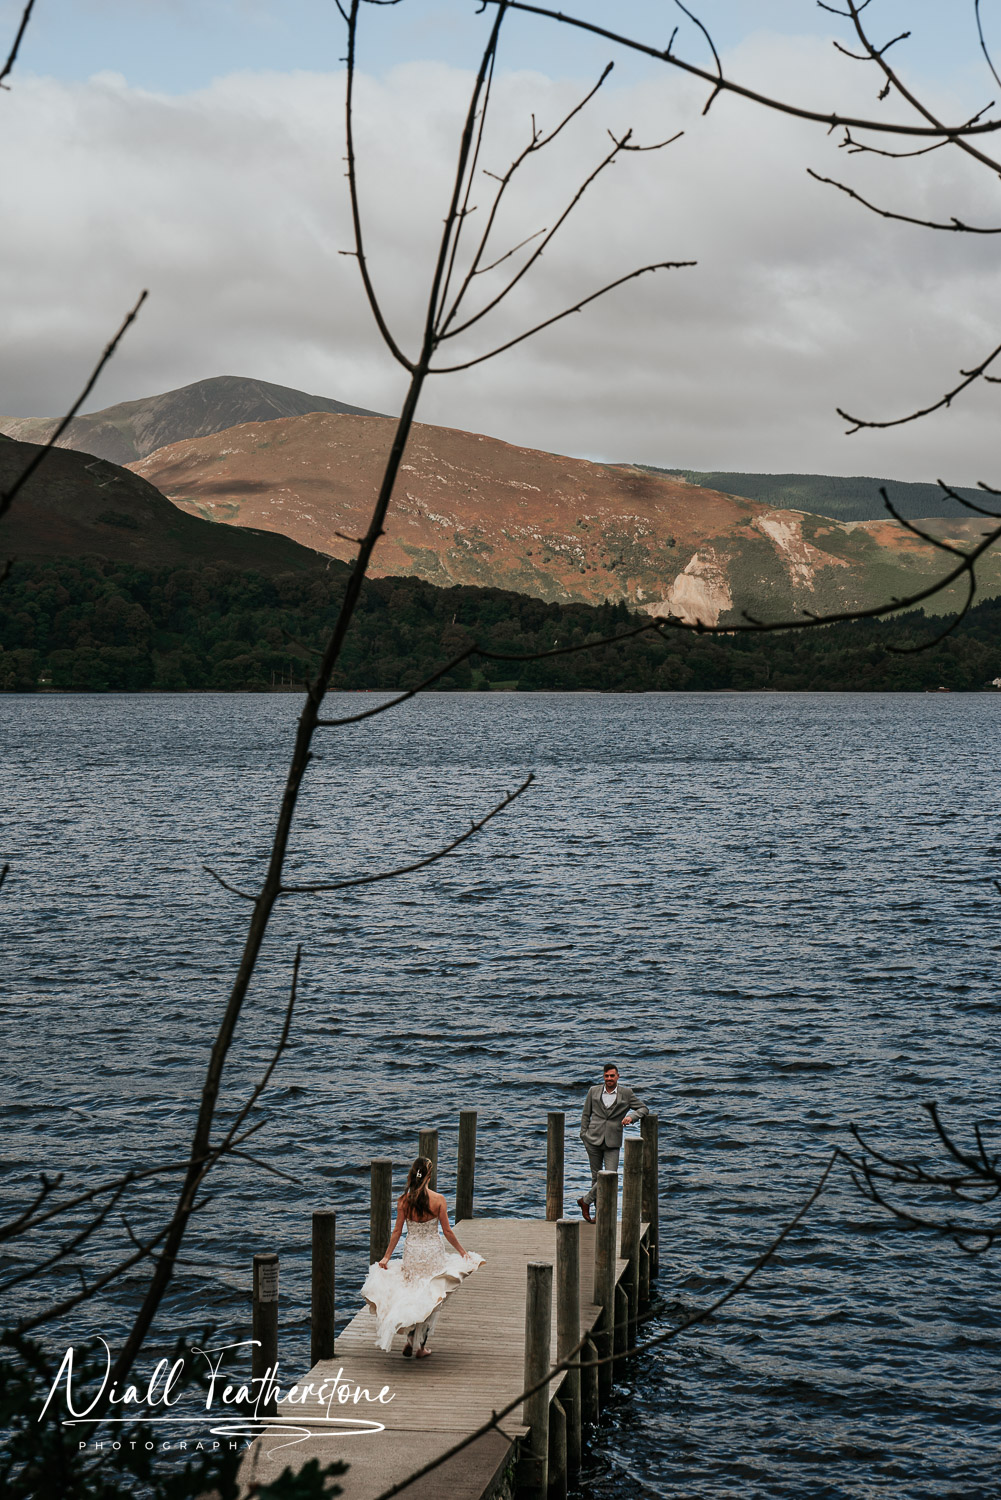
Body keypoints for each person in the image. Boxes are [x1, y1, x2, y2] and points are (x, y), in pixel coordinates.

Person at [361, 1156, 484, 1357]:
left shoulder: (403, 1201)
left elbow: (397, 1232)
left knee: (413, 1293)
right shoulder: (439, 1200)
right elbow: (447, 1232)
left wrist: (385, 1257)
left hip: (412, 1253)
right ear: (429, 1176)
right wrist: (463, 1252)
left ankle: (411, 1340)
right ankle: (420, 1347)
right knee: (431, 1296)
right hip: (432, 1253)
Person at [577, 1063, 649, 1222]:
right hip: (592, 1139)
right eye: (606, 1076)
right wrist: (583, 1135)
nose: (609, 1079)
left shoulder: (626, 1093)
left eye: (612, 1076)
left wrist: (632, 1117)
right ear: (603, 1076)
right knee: (596, 1178)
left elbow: (643, 1109)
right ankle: (599, 1214)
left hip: (613, 1140)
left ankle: (585, 1201)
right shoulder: (593, 1091)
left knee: (610, 1175)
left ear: (618, 1076)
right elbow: (585, 1114)